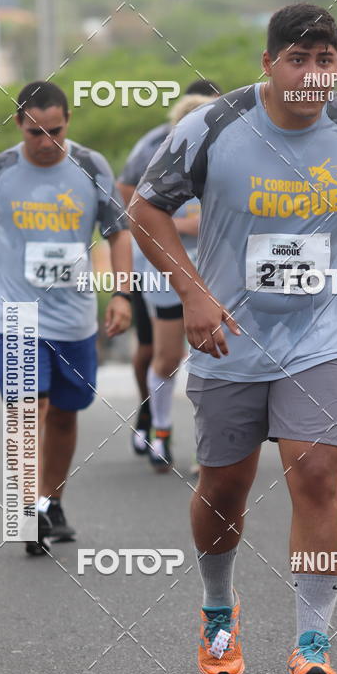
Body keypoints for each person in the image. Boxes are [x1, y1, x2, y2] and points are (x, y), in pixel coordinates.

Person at [131, 3, 337, 674]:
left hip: (324, 336)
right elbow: (145, 210)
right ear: (268, 65)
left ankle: (312, 645)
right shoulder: (213, 127)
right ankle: (218, 611)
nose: (312, 75)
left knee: (317, 473)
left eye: (325, 61)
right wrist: (194, 294)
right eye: (298, 59)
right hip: (228, 334)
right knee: (225, 487)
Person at [0, 81, 132, 554]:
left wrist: (122, 295)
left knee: (66, 416)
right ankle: (27, 510)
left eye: (55, 130)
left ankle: (51, 503)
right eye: (35, 133)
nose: (46, 143)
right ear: (18, 126)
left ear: (68, 122)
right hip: (15, 314)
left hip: (74, 318)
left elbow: (118, 234)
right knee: (28, 411)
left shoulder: (91, 167)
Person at [117, 79, 221, 456]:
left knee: (214, 354)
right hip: (162, 262)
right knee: (164, 354)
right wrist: (178, 226)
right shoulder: (156, 146)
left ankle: (213, 440)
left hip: (213, 263)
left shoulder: (231, 145)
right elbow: (131, 204)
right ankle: (157, 426)